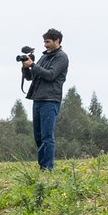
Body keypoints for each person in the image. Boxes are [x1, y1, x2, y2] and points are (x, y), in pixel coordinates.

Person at [23, 29, 69, 170]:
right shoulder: (44, 57)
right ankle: (42, 166)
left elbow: (50, 75)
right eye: (44, 41)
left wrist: (33, 65)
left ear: (57, 41)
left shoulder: (62, 57)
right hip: (37, 99)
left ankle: (48, 168)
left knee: (47, 136)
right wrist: (25, 67)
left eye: (48, 42)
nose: (45, 45)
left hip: (50, 100)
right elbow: (31, 77)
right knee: (38, 136)